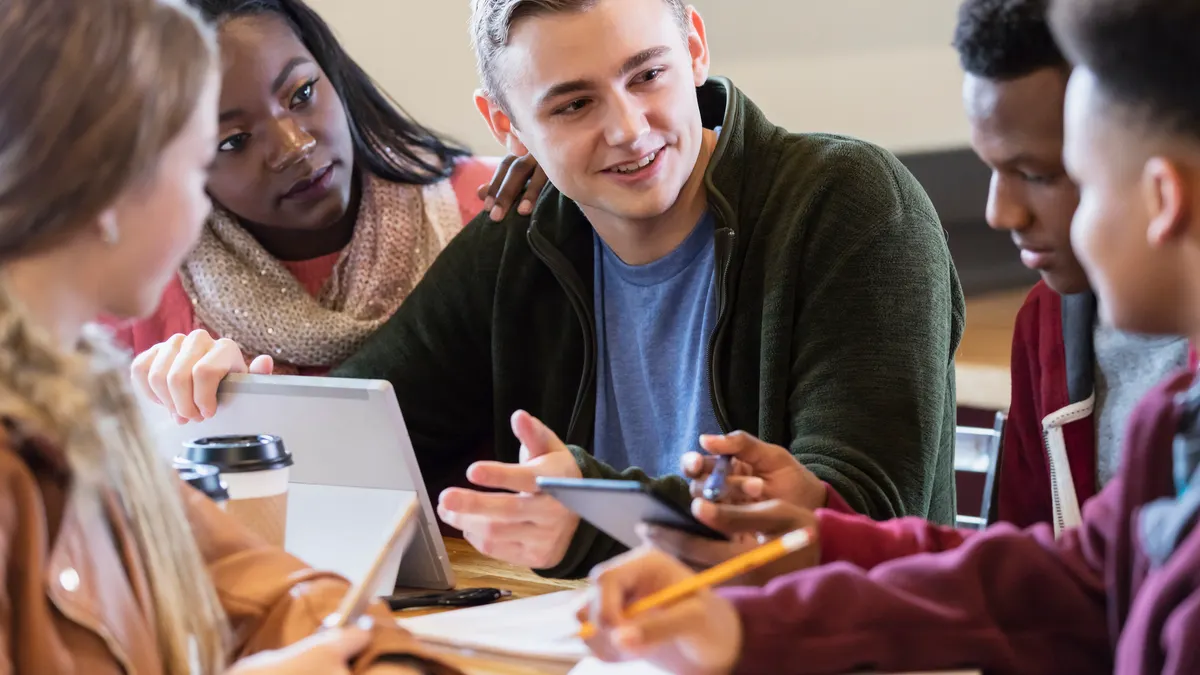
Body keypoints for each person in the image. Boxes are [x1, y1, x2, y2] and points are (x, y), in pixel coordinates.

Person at [134, 0, 964, 578]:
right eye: (572, 105)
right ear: (506, 127)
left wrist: (593, 519)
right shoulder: (523, 238)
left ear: (697, 48)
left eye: (647, 76)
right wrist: (226, 401)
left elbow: (860, 517)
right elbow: (367, 430)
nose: (629, 129)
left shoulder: (852, 200)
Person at [580, 0, 1200, 672]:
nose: (997, 211)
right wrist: (770, 595)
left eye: (1072, 177)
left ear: (1164, 199)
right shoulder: (1173, 417)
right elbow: (1068, 580)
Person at [0, 0, 453, 673]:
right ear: (108, 195)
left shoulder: (89, 411)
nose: (199, 217)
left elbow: (262, 586)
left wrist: (376, 657)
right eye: (196, 166)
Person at [109, 0, 546, 388]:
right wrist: (194, 424)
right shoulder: (133, 295)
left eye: (301, 94)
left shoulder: (502, 204)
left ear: (332, 72)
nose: (293, 147)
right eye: (234, 141)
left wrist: (575, 195)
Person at [956, 0, 1190, 534]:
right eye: (990, 168)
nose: (999, 213)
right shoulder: (1048, 326)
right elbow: (1040, 574)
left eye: (1040, 173)